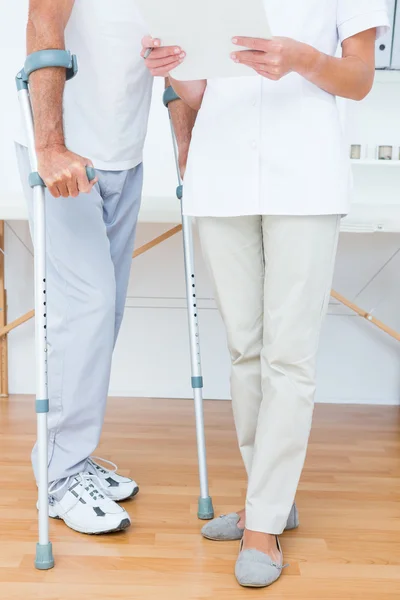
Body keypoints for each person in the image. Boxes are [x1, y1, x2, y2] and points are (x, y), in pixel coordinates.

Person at [142, 0, 390, 588]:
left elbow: (357, 80)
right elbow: (203, 95)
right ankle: (269, 501)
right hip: (221, 172)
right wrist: (173, 66)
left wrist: (300, 57)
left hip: (304, 177)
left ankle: (264, 524)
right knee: (245, 349)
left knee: (288, 355)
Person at [15, 0, 192, 536]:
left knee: (105, 311)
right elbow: (43, 21)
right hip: (65, 157)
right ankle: (61, 476)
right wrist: (49, 147)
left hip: (125, 153)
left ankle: (69, 453)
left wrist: (186, 146)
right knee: (86, 309)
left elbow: (181, 53)